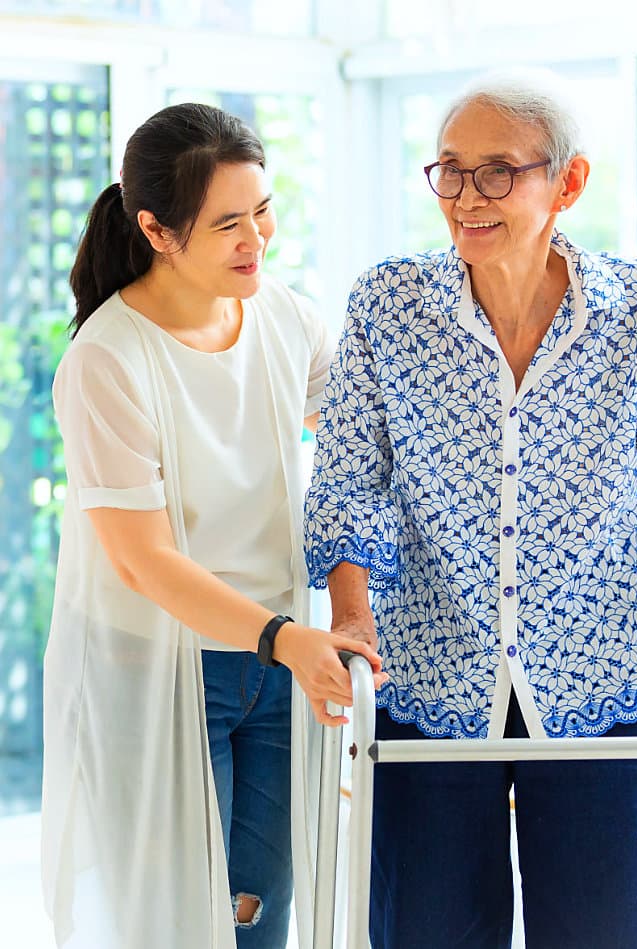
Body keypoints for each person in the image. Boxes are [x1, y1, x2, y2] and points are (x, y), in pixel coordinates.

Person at [304, 76, 637, 949]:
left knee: (617, 932)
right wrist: (350, 624)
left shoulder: (635, 311)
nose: (466, 198)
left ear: (568, 183)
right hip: (429, 676)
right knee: (427, 932)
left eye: (497, 173)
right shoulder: (386, 309)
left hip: (603, 678)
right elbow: (350, 486)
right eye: (451, 172)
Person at [41, 102, 384, 949]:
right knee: (170, 923)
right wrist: (283, 636)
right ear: (157, 230)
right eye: (227, 223)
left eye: (262, 211)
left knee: (258, 911)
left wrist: (335, 616)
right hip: (151, 661)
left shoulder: (287, 319)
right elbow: (144, 561)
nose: (255, 240)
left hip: (274, 665)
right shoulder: (106, 360)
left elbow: (359, 461)